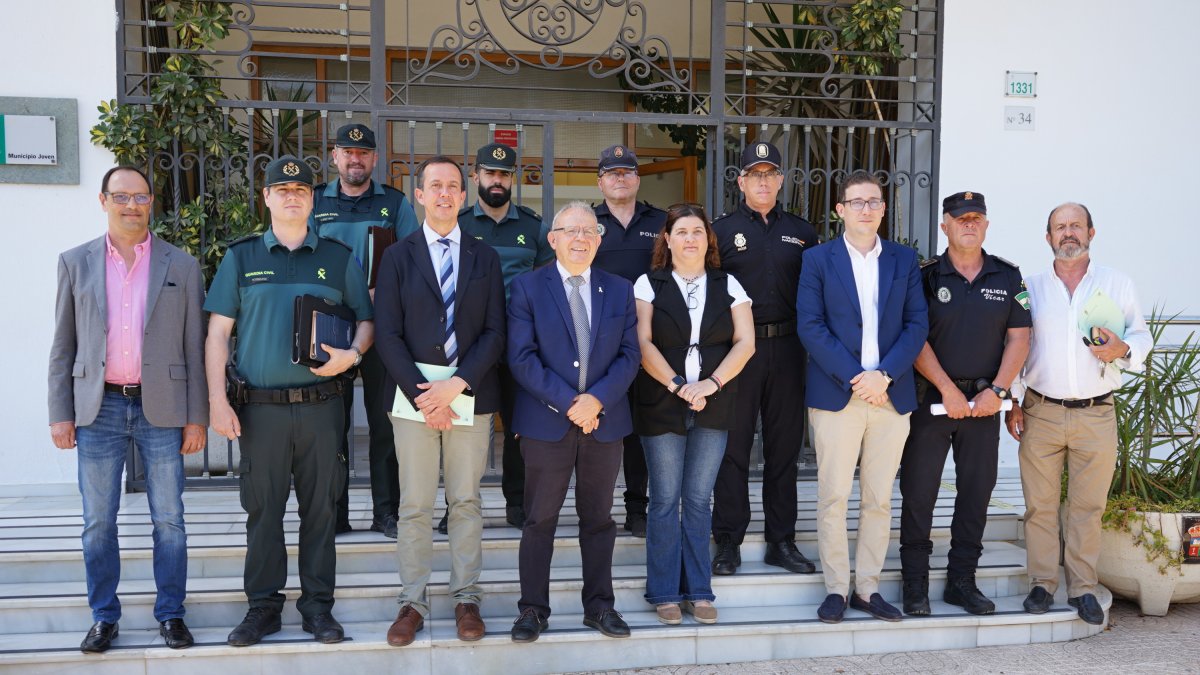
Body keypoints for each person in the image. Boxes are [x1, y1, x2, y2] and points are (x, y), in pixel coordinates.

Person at [205, 155, 374, 646]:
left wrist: (352, 355)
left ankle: (318, 608)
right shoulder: (242, 258)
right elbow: (217, 335)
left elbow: (367, 320)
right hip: (260, 411)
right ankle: (263, 607)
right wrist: (217, 400)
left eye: (301, 189)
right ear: (267, 198)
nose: (292, 196)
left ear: (312, 198)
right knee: (263, 511)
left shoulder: (338, 258)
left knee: (321, 510)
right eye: (282, 189)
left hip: (323, 407)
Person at [49, 166, 207, 652]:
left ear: (151, 202)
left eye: (140, 197)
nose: (131, 205)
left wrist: (196, 416)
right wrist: (60, 411)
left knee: (170, 519)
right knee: (98, 521)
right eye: (121, 196)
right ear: (103, 201)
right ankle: (104, 616)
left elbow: (195, 347)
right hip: (98, 409)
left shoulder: (182, 265)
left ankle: (171, 614)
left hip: (162, 407)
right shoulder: (75, 262)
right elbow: (63, 345)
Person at [377, 156, 506, 646]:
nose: (445, 193)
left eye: (453, 185)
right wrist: (425, 396)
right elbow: (387, 334)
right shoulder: (397, 256)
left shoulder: (484, 256)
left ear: (464, 195)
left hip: (470, 395)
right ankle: (412, 602)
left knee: (465, 501)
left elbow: (495, 331)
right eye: (435, 186)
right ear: (420, 195)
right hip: (414, 399)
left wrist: (458, 384)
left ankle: (466, 598)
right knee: (414, 504)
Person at [1006, 202, 1151, 626]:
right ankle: (1041, 584)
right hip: (1041, 411)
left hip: (1096, 413)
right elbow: (1016, 345)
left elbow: (1141, 334)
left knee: (1088, 508)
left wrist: (1123, 348)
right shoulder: (1029, 287)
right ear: (1048, 237)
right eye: (1060, 227)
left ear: (1091, 232)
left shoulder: (1117, 283)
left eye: (1075, 226)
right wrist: (1013, 401)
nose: (1068, 233)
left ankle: (1083, 588)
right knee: (1040, 506)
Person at [796, 170, 928, 624]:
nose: (866, 209)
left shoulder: (904, 260)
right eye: (857, 202)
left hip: (890, 396)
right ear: (840, 210)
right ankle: (836, 588)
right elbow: (810, 325)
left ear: (883, 209)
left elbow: (917, 324)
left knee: (879, 498)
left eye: (873, 201)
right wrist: (857, 377)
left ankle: (867, 589)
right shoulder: (817, 260)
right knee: (833, 496)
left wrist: (884, 375)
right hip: (838, 394)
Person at [506, 202, 641, 643]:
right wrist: (571, 403)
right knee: (539, 520)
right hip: (547, 424)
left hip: (604, 423)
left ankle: (599, 606)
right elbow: (521, 358)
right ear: (553, 239)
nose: (580, 238)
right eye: (570, 230)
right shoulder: (527, 287)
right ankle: (532, 609)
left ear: (599, 240)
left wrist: (596, 400)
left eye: (589, 231)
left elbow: (630, 356)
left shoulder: (619, 289)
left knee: (599, 520)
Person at [898, 191, 1031, 616]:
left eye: (976, 218)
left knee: (976, 492)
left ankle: (962, 581)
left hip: (985, 404)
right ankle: (915, 583)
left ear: (986, 225)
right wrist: (947, 389)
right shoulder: (925, 276)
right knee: (919, 492)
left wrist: (999, 391)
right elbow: (914, 338)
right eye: (960, 218)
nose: (969, 224)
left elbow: (1020, 338)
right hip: (932, 402)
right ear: (945, 226)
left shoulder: (1007, 276)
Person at [631, 203, 755, 625]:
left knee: (700, 500)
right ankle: (665, 591)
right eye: (681, 231)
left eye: (697, 231)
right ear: (667, 239)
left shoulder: (729, 283)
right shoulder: (649, 283)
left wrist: (710, 384)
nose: (689, 239)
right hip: (661, 400)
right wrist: (677, 386)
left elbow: (746, 343)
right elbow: (643, 343)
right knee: (665, 500)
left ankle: (699, 591)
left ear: (708, 239)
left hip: (714, 402)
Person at [710, 141, 818, 575]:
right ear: (741, 182)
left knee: (784, 449)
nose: (762, 181)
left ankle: (781, 540)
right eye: (754, 174)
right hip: (739, 351)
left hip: (788, 349)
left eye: (769, 173)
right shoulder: (720, 231)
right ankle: (728, 541)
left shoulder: (803, 232)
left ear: (780, 180)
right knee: (733, 448)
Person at [311, 123, 419, 538]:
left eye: (363, 153)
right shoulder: (316, 200)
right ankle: (334, 513)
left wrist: (383, 289)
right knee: (330, 426)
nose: (355, 159)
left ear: (374, 158)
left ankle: (385, 512)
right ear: (335, 157)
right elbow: (305, 256)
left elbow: (413, 260)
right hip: (329, 327)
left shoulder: (394, 202)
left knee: (384, 424)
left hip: (383, 327)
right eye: (347, 152)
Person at [458, 142, 553, 531]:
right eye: (490, 173)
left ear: (512, 179)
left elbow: (547, 289)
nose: (497, 180)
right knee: (465, 428)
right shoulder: (459, 225)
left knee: (519, 427)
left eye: (504, 174)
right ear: (475, 177)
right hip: (472, 345)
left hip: (519, 345)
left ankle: (518, 502)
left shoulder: (534, 229)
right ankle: (459, 505)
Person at [590, 145, 668, 538]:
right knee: (599, 425)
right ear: (600, 181)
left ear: (637, 179)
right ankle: (595, 510)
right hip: (599, 344)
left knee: (642, 429)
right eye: (612, 172)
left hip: (650, 341)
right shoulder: (587, 222)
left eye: (626, 172)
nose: (619, 178)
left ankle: (638, 507)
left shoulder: (661, 221)